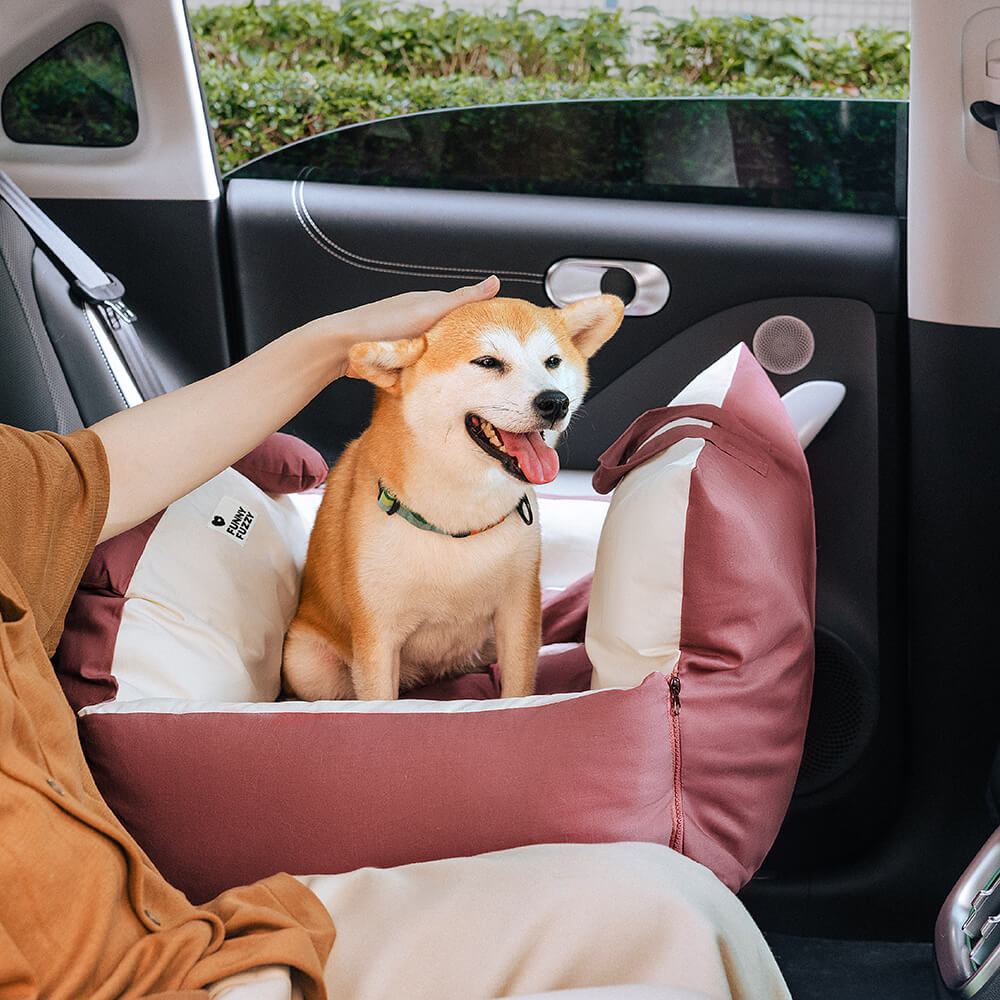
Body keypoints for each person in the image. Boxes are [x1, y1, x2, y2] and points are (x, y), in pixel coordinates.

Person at [0, 275, 791, 1000]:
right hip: (120, 977)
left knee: (678, 911)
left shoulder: (16, 491)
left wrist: (338, 341)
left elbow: (94, 473)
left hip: (181, 936)